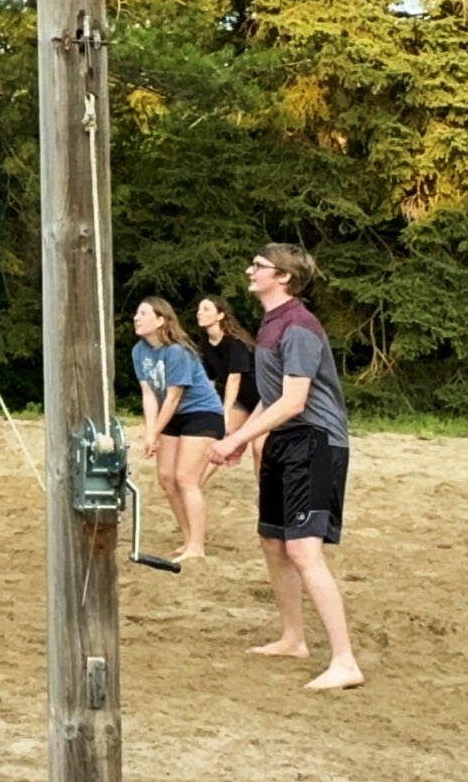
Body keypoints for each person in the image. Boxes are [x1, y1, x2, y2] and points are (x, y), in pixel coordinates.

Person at [209, 244, 363, 691]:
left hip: (315, 442)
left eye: (258, 266)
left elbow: (296, 401)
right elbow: (272, 400)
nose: (249, 270)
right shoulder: (271, 323)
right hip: (284, 439)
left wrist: (238, 436)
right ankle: (293, 638)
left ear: (284, 278)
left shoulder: (298, 325)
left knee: (302, 550)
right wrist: (246, 438)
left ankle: (345, 661)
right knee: (273, 541)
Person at [131, 297, 228, 560]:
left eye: (143, 313)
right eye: (136, 314)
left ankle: (197, 546)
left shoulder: (177, 351)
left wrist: (154, 434)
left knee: (186, 478)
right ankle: (188, 538)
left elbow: (174, 396)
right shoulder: (139, 351)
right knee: (166, 478)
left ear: (161, 320)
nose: (136, 318)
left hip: (202, 413)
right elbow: (149, 395)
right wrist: (150, 434)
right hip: (172, 415)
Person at [196, 295, 260, 469]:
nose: (199, 313)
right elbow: (209, 379)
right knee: (219, 440)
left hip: (263, 400)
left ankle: (266, 495)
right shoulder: (205, 343)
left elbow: (234, 378)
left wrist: (225, 411)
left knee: (260, 449)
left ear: (220, 315)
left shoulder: (234, 342)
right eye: (199, 309)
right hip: (241, 401)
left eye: (206, 309)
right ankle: (194, 487)